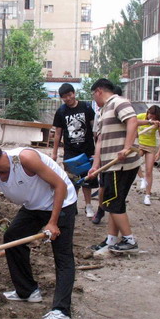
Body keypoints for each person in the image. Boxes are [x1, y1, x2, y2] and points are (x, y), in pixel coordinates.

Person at [0, 137, 78, 319]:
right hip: (34, 206)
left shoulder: (25, 159)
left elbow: (60, 185)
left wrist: (52, 222)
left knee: (63, 256)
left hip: (61, 201)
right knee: (12, 238)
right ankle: (27, 291)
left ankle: (62, 312)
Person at [88, 78, 141, 254]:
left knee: (113, 202)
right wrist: (95, 165)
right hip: (110, 165)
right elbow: (100, 141)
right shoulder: (104, 111)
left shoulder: (118, 102)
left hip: (121, 164)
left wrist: (126, 147)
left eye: (93, 95)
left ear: (98, 91)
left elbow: (132, 121)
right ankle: (111, 240)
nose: (94, 100)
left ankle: (129, 241)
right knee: (112, 203)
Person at [52, 83, 96, 218]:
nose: (68, 98)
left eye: (69, 95)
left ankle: (88, 206)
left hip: (87, 149)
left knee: (87, 179)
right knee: (72, 180)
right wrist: (54, 153)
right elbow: (58, 133)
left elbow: (94, 129)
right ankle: (73, 205)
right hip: (70, 151)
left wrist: (98, 149)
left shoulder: (86, 107)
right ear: (62, 98)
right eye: (64, 97)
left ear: (74, 93)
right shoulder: (61, 111)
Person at [91, 85, 123, 225]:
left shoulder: (120, 107)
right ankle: (101, 209)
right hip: (104, 157)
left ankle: (122, 237)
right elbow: (98, 138)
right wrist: (96, 161)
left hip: (117, 161)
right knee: (103, 187)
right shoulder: (101, 113)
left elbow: (133, 122)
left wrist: (148, 122)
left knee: (114, 199)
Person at [136, 105, 160, 205]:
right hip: (139, 144)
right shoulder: (140, 116)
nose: (150, 117)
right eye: (149, 114)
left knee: (149, 170)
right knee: (134, 161)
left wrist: (159, 152)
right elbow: (131, 124)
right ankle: (142, 179)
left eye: (153, 116)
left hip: (150, 146)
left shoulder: (159, 123)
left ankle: (147, 196)